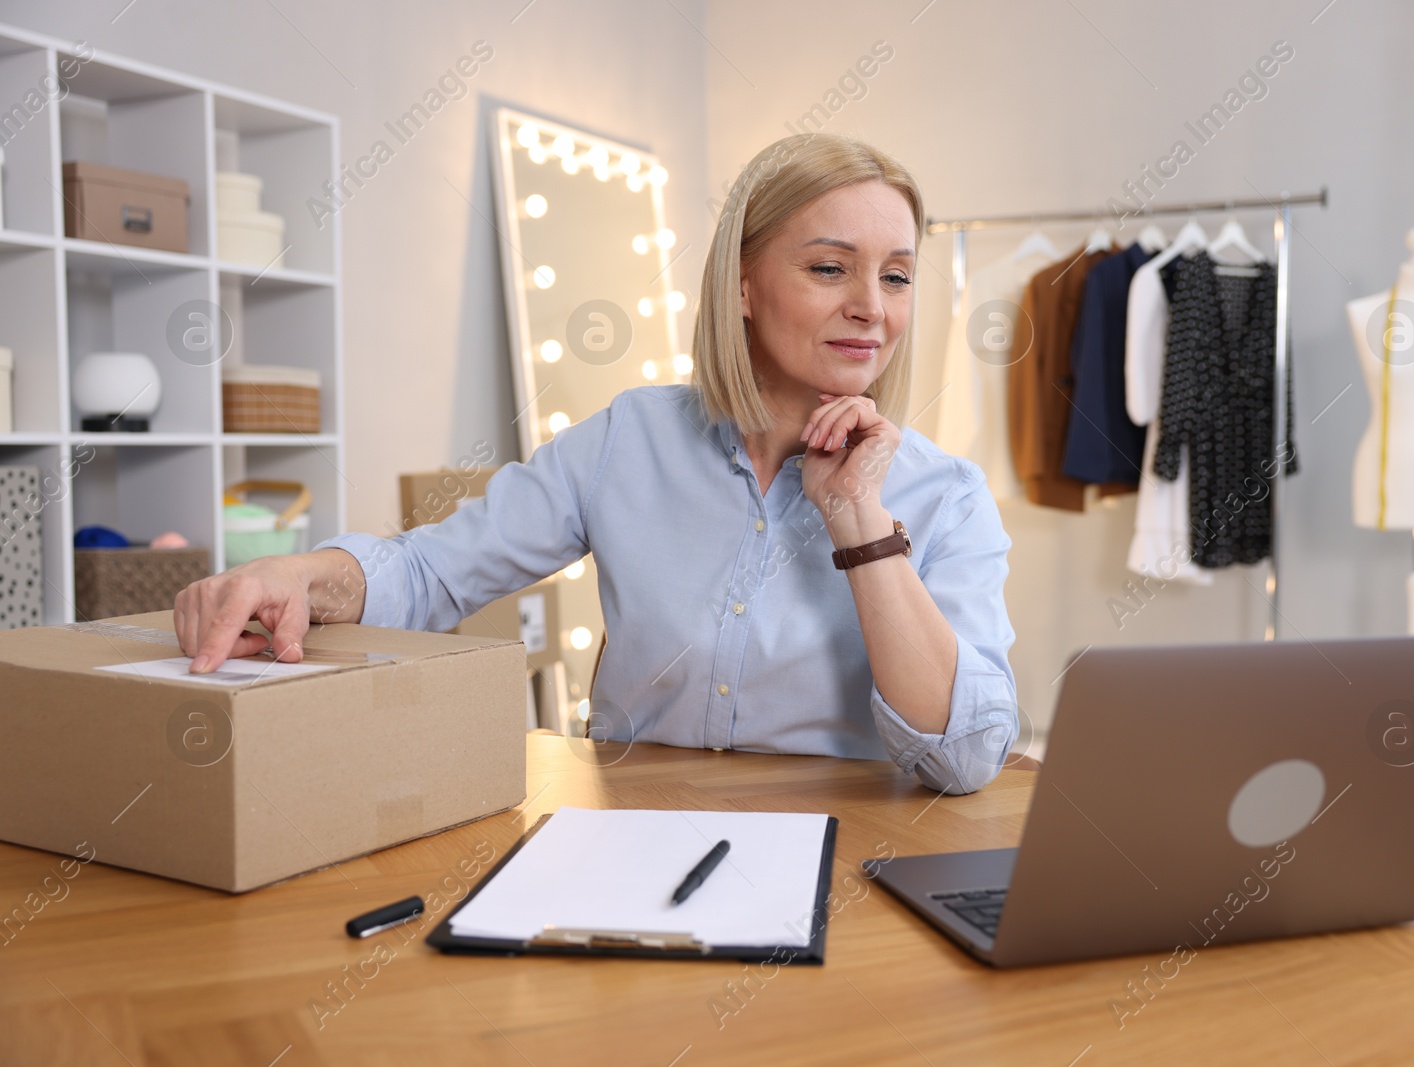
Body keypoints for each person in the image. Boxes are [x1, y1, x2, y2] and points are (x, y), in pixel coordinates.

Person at [175, 133, 1019, 794]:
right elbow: (431, 573)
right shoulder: (632, 436)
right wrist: (296, 573)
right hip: (633, 843)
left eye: (898, 276)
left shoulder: (946, 497)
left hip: (847, 864)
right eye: (830, 267)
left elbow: (968, 757)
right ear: (742, 284)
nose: (872, 307)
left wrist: (860, 519)